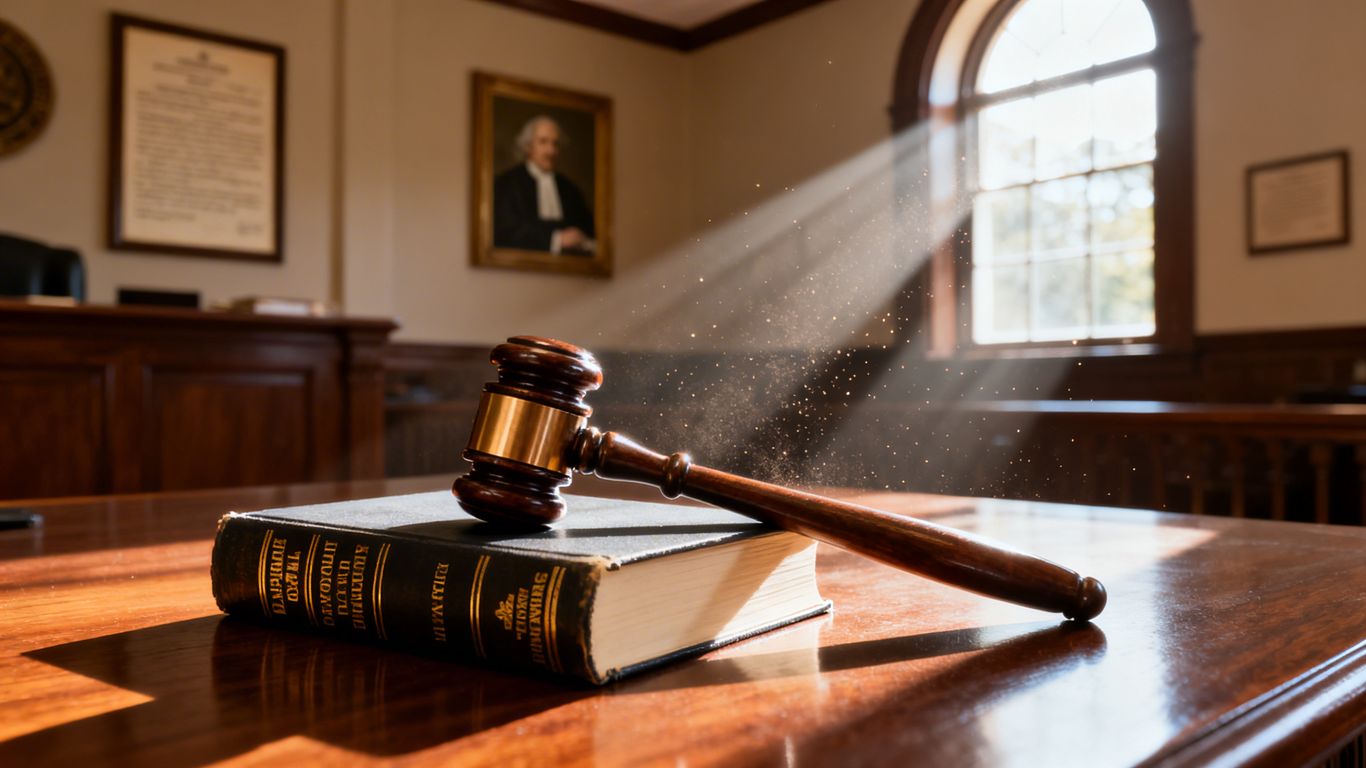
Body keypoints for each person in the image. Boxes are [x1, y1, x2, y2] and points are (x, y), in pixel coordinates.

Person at [493, 116, 596, 255]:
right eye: (543, 142)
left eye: (555, 144)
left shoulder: (570, 189)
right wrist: (557, 239)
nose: (551, 151)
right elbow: (505, 232)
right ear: (527, 146)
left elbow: (589, 231)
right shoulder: (507, 184)